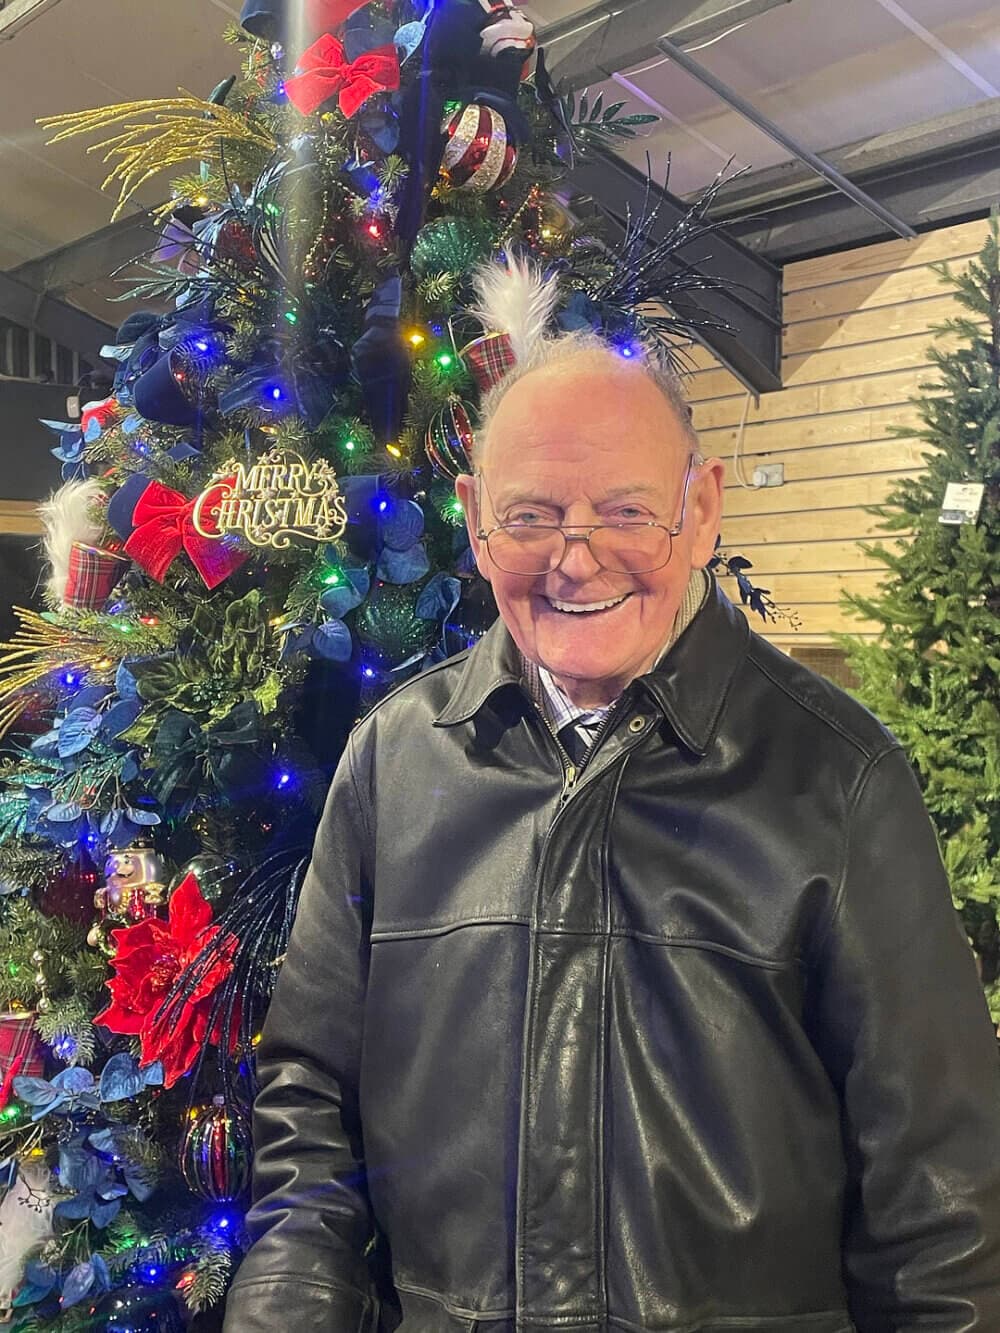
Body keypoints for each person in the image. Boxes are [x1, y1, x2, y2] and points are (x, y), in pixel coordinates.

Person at [224, 334, 1000, 1332]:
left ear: (701, 506)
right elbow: (310, 1091)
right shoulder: (396, 760)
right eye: (532, 517)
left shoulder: (840, 779)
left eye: (626, 511)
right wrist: (291, 1301)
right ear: (474, 522)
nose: (575, 558)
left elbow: (944, 1206)